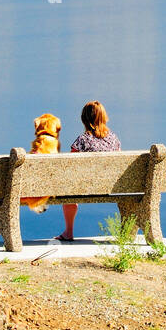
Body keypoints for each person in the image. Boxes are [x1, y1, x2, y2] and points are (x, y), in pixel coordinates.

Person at [56, 100, 121, 241]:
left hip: (85, 187)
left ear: (84, 119)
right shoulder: (114, 139)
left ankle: (68, 232)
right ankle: (127, 232)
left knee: (67, 192)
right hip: (111, 186)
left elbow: (71, 166)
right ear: (104, 117)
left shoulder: (82, 140)